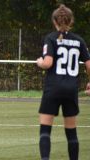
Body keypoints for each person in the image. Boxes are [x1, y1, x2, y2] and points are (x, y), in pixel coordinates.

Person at [36, 4, 90, 160]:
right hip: (71, 89)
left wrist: (39, 62)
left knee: (45, 130)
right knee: (71, 132)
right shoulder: (79, 40)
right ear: (71, 21)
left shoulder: (51, 38)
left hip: (53, 88)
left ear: (55, 21)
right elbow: (88, 65)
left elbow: (47, 63)